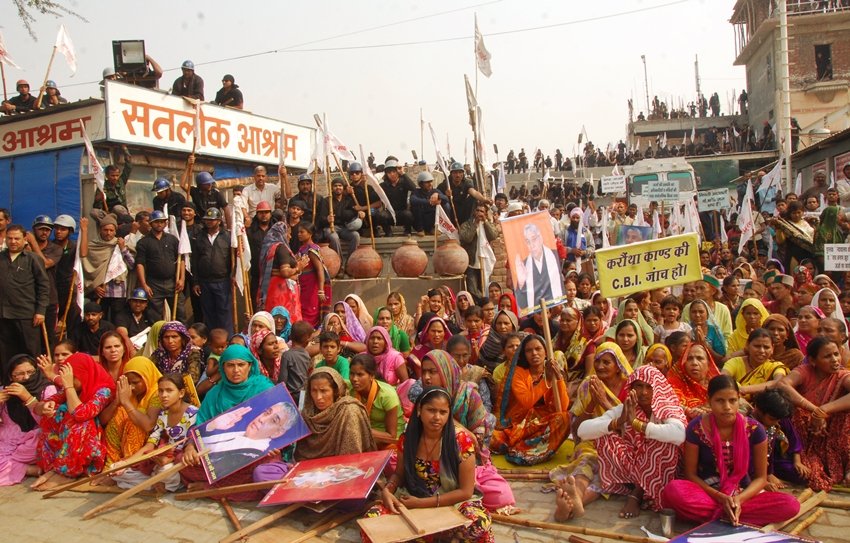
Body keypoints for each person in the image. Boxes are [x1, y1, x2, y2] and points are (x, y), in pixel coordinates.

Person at [660, 375, 800, 527]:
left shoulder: (755, 430)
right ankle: (730, 514)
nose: (727, 407)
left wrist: (738, 500)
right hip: (708, 492)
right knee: (673, 490)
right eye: (720, 401)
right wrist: (721, 497)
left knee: (791, 504)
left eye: (732, 400)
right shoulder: (696, 428)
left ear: (739, 399)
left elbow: (761, 478)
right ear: (709, 401)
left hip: (742, 493)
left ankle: (723, 513)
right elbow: (690, 474)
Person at [369, 387, 494, 543]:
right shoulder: (407, 439)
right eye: (431, 410)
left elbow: (466, 491)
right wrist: (388, 490)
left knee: (477, 523)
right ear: (420, 410)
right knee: (373, 518)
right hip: (414, 498)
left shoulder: (461, 441)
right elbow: (399, 475)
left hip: (451, 502)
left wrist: (421, 504)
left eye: (443, 412)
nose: (437, 417)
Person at [577, 365, 686, 518]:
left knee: (662, 443)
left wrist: (636, 423)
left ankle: (638, 493)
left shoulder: (667, 408)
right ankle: (636, 485)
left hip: (664, 471)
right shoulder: (626, 408)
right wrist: (618, 421)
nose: (643, 392)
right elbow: (582, 431)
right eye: (639, 386)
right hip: (635, 466)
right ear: (631, 388)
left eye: (649, 387)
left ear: (658, 388)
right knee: (605, 435)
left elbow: (679, 434)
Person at [31, 353, 115, 490]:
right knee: (51, 417)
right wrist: (45, 407)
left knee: (80, 423)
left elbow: (81, 414)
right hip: (69, 443)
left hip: (91, 443)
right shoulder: (74, 386)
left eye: (72, 378)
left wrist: (69, 387)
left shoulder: (104, 390)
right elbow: (39, 407)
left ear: (84, 374)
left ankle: (68, 473)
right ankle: (56, 467)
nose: (67, 382)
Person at [778, 337, 850, 491]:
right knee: (796, 412)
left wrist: (824, 410)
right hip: (805, 435)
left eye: (836, 354)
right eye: (827, 356)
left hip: (831, 434)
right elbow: (783, 385)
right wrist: (814, 410)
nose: (835, 360)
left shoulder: (843, 375)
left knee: (845, 417)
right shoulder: (804, 371)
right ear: (812, 360)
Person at [110, 374, 197, 491]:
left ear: (181, 393)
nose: (164, 395)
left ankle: (161, 483)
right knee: (121, 472)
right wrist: (125, 463)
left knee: (166, 470)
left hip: (180, 463)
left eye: (169, 390)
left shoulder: (192, 413)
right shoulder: (163, 415)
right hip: (162, 461)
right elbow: (150, 443)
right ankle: (156, 484)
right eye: (160, 391)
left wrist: (169, 459)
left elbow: (191, 445)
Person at [492, 334, 569, 465]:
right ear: (524, 354)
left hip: (541, 424)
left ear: (546, 351)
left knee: (565, 418)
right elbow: (527, 402)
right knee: (490, 437)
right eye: (529, 350)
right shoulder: (519, 373)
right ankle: (519, 446)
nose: (534, 353)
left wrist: (559, 379)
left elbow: (562, 406)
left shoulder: (551, 370)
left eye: (538, 349)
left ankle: (523, 450)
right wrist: (547, 380)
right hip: (518, 425)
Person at [0, 224, 50, 376]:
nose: (13, 242)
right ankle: (8, 382)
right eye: (10, 238)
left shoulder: (33, 259)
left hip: (27, 314)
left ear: (24, 240)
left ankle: (34, 381)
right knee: (5, 352)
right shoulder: (1, 258)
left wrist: (40, 311)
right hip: (3, 314)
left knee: (30, 350)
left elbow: (43, 286)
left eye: (17, 238)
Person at [0, 354, 56, 486]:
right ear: (10, 377)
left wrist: (28, 398)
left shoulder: (47, 389)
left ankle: (11, 465)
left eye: (30, 372)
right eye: (19, 374)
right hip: (7, 438)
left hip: (34, 440)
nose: (26, 377)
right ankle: (28, 469)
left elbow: (50, 422)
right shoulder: (4, 390)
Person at [420, 350, 494, 449]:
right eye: (423, 372)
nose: (426, 377)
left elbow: (477, 439)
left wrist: (461, 432)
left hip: (465, 453)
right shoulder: (425, 396)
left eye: (432, 372)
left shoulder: (468, 395)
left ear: (446, 371)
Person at [103, 357, 162, 468]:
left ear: (147, 377)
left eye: (136, 382)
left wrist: (126, 402)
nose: (132, 387)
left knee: (134, 424)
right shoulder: (129, 391)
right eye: (129, 382)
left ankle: (125, 467)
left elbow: (148, 425)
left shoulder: (158, 392)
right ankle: (111, 465)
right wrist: (117, 401)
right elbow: (103, 420)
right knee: (118, 415)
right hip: (129, 435)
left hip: (155, 438)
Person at [136, 211, 185, 322]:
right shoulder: (143, 242)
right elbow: (140, 264)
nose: (159, 224)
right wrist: (144, 284)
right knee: (154, 316)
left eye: (162, 222)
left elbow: (181, 259)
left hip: (173, 281)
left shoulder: (172, 239)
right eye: (156, 222)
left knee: (180, 313)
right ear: (151, 223)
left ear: (166, 223)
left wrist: (182, 279)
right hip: (154, 283)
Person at [191, 208, 233, 332]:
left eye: (212, 220)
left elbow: (233, 260)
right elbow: (195, 260)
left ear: (219, 221)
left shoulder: (227, 237)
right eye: (207, 220)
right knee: (209, 312)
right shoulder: (200, 237)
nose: (209, 222)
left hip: (222, 281)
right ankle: (211, 340)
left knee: (224, 312)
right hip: (205, 281)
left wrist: (233, 275)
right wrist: (195, 282)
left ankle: (226, 340)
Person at [348, 354, 405, 446]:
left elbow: (391, 436)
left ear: (371, 376)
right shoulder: (350, 389)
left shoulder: (387, 395)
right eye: (352, 374)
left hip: (388, 439)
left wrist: (361, 429)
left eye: (360, 375)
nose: (354, 379)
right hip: (364, 433)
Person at [514, 222, 564, 315]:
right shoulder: (524, 264)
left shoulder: (553, 256)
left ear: (540, 238)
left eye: (534, 239)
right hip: (534, 317)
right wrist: (521, 283)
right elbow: (522, 305)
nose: (532, 245)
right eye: (528, 241)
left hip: (554, 313)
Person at [257, 222, 303, 319]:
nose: (290, 237)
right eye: (288, 233)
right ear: (282, 233)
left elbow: (274, 270)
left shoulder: (270, 247)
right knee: (282, 319)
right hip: (281, 292)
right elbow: (285, 272)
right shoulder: (281, 248)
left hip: (272, 288)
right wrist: (298, 267)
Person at [723, 328, 788, 396]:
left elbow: (778, 382)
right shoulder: (735, 362)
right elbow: (723, 378)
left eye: (766, 347)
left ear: (772, 349)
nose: (761, 351)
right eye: (757, 346)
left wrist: (742, 390)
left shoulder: (776, 367)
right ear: (747, 345)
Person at [667, 344, 721, 420]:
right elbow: (670, 404)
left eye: (700, 358)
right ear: (683, 364)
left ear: (709, 363)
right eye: (689, 358)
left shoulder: (719, 385)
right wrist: (689, 411)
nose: (694, 363)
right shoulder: (673, 384)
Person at [459, 203, 499, 303]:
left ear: (485, 214)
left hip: (484, 261)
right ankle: (480, 304)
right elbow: (466, 238)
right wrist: (475, 224)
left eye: (482, 211)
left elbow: (493, 235)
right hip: (471, 262)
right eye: (477, 210)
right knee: (472, 289)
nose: (479, 213)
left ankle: (483, 303)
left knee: (484, 287)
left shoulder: (487, 224)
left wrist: (485, 222)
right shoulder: (466, 225)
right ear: (474, 212)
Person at [317, 177, 361, 264]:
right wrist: (327, 219)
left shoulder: (348, 200)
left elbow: (354, 212)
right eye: (335, 186)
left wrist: (360, 214)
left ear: (343, 187)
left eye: (340, 185)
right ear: (331, 188)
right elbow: (320, 218)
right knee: (334, 237)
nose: (338, 187)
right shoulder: (326, 201)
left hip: (344, 228)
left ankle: (349, 263)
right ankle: (339, 264)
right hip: (330, 228)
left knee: (355, 235)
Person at [296, 222, 331, 327]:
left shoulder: (312, 249)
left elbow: (320, 269)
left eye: (302, 232)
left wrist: (321, 290)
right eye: (298, 232)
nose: (299, 234)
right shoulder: (302, 248)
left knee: (310, 312)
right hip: (303, 286)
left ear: (310, 234)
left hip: (311, 287)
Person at [437, 161, 490, 226]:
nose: (458, 175)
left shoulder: (466, 182)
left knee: (473, 198)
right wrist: (445, 195)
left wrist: (484, 200)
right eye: (455, 173)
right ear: (451, 174)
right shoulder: (446, 184)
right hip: (450, 210)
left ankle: (468, 224)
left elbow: (474, 192)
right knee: (445, 204)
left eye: (460, 172)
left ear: (463, 173)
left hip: (462, 210)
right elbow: (436, 193)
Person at [378, 159, 416, 236]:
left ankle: (407, 231)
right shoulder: (383, 185)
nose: (392, 174)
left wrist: (403, 173)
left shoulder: (403, 182)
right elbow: (374, 195)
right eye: (389, 172)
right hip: (390, 214)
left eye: (394, 171)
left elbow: (413, 188)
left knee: (408, 214)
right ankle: (388, 232)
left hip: (402, 213)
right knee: (381, 215)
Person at [409, 171, 448, 236]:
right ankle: (420, 230)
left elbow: (446, 199)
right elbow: (413, 200)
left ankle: (434, 228)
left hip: (432, 220)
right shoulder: (416, 192)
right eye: (427, 182)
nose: (430, 184)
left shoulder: (435, 191)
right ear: (421, 184)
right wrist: (429, 202)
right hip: (420, 221)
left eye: (431, 181)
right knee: (416, 206)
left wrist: (438, 195)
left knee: (445, 205)